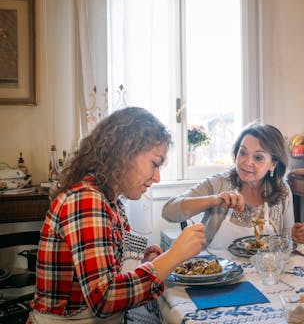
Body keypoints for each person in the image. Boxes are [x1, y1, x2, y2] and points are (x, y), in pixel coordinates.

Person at [29, 107, 206, 323]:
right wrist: (174, 255)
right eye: (154, 164)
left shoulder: (111, 201)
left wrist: (145, 264)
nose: (157, 177)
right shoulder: (86, 200)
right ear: (125, 153)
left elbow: (108, 273)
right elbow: (104, 299)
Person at [162, 123, 304, 250]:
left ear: (273, 164)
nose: (247, 162)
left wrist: (298, 236)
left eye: (258, 157)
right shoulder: (218, 183)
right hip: (218, 277)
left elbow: (285, 242)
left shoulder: (282, 191)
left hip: (264, 276)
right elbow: (169, 212)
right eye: (243, 153)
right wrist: (215, 200)